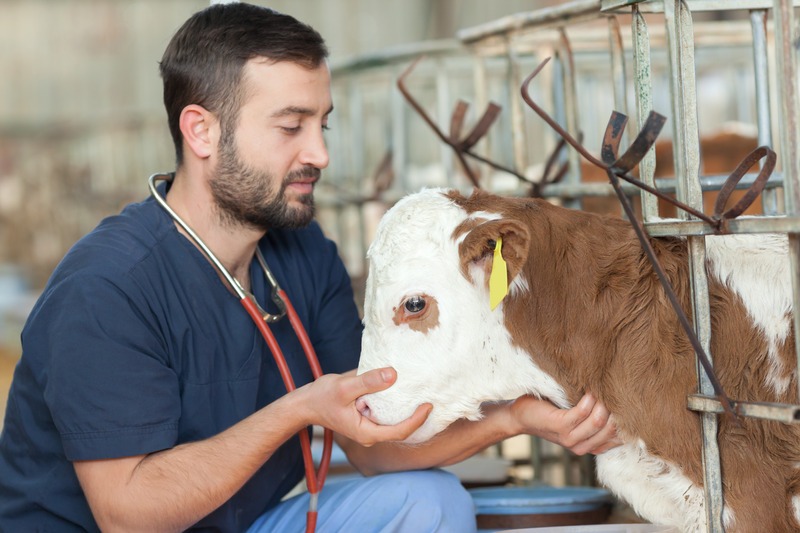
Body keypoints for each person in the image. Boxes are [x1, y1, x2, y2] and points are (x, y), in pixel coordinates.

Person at [0, 3, 620, 532]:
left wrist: (514, 417)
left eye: (322, 125)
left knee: (427, 502)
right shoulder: (108, 286)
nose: (319, 153)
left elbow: (372, 444)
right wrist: (298, 410)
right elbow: (128, 512)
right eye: (290, 126)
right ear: (201, 132)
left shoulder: (303, 254)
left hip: (241, 521)